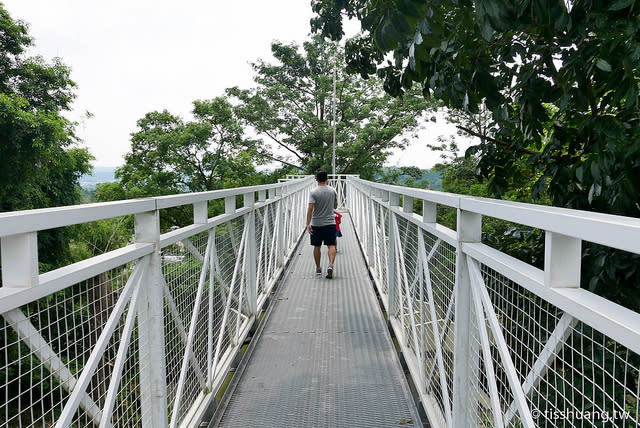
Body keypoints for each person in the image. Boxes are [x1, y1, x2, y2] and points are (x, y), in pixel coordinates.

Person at [306, 169, 338, 278]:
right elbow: (335, 206)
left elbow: (310, 208)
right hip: (330, 222)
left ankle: (318, 269)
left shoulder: (313, 192)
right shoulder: (333, 191)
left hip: (317, 223)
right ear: (327, 179)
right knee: (331, 245)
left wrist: (308, 224)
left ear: (316, 179)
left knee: (317, 246)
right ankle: (331, 265)